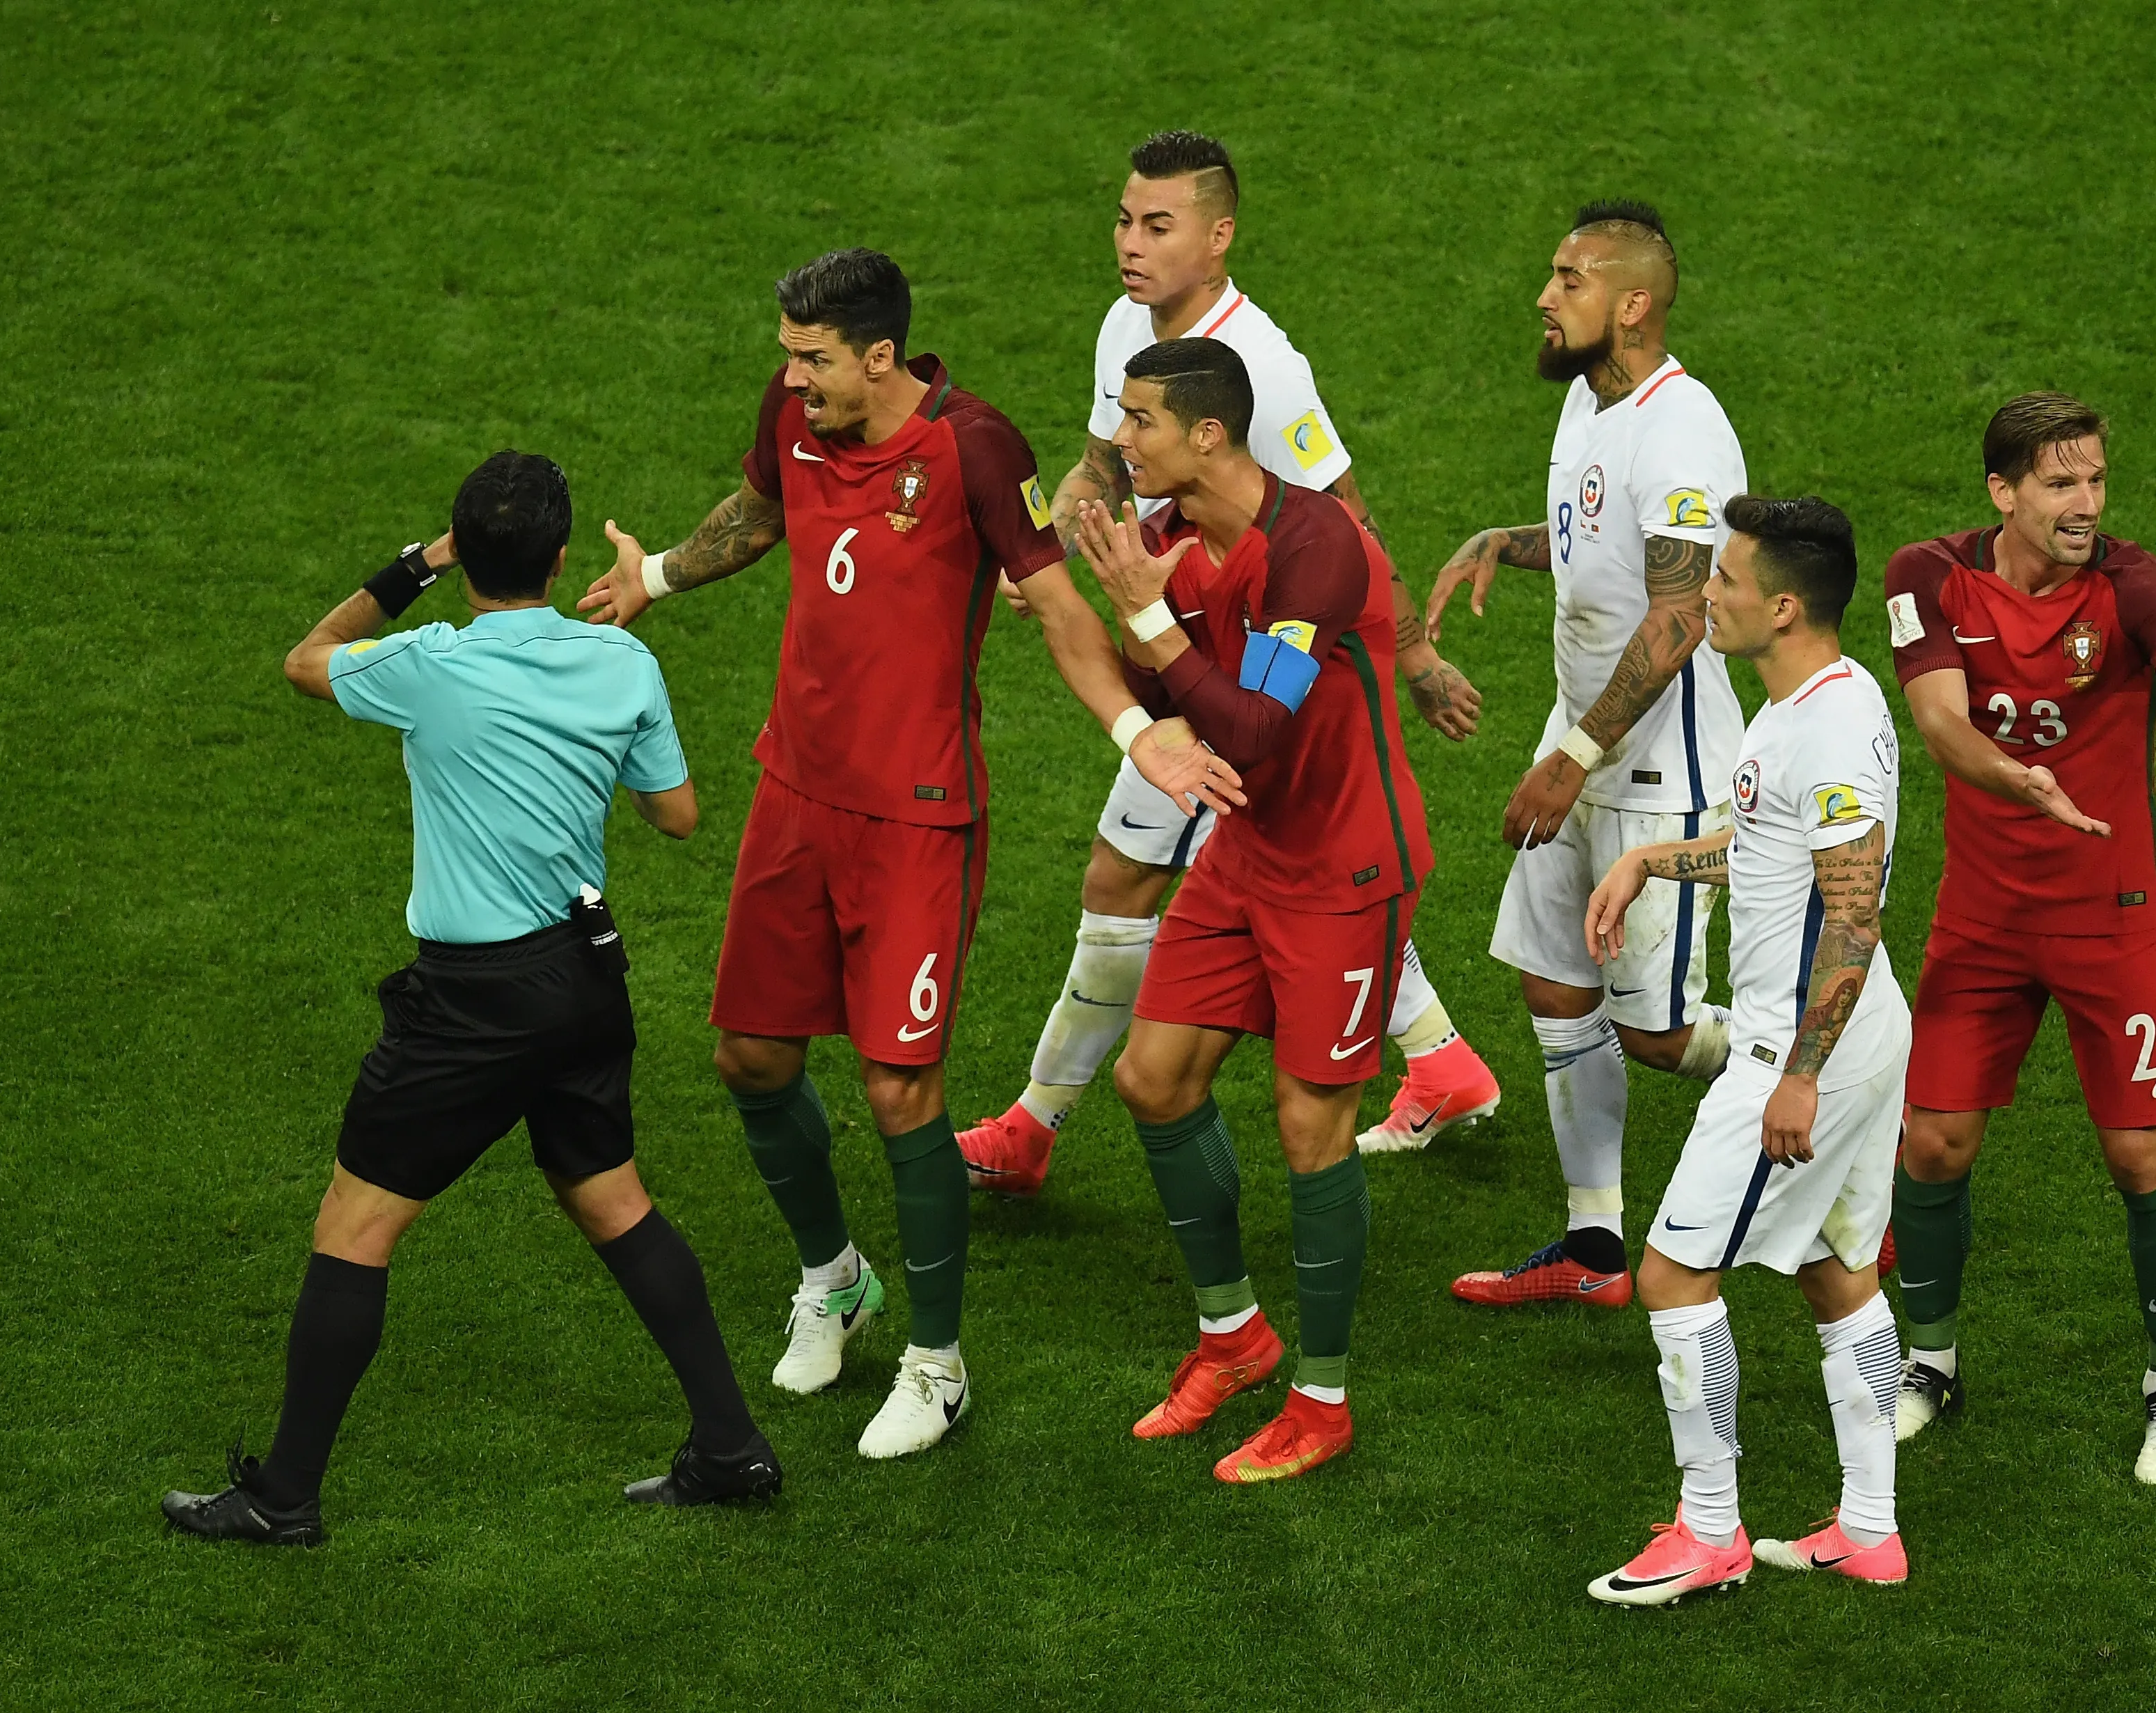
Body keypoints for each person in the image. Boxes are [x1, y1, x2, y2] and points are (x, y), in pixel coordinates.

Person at [579, 250, 1238, 1460]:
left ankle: (937, 1365)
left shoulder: (974, 447)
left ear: (879, 356)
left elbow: (1050, 600)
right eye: (787, 355)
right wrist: (660, 577)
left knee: (899, 1088)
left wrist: (1138, 729)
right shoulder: (791, 417)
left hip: (917, 818)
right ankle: (834, 1278)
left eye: (813, 357)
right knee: (752, 1057)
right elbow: (766, 513)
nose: (792, 378)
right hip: (794, 795)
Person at [163, 453, 775, 1545]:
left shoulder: (430, 666)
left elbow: (307, 658)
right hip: (586, 978)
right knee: (612, 1202)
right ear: (558, 555)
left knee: (355, 1227)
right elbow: (676, 816)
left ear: (468, 552)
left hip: (472, 1003)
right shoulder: (621, 661)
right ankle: (729, 1449)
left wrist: (413, 568)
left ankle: (284, 1497)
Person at [959, 129, 1497, 1196]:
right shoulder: (1127, 326)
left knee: (1206, 878)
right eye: (1123, 219)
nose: (1130, 243)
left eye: (1157, 226)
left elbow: (1339, 520)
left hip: (1246, 671)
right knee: (1184, 877)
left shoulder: (1265, 368)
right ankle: (1440, 1061)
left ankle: (1034, 1124)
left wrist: (1416, 655)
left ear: (1218, 235)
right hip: (1182, 634)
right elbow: (1100, 464)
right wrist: (1055, 552)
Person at [1880, 393, 2156, 1484]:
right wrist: (2016, 781)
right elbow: (1939, 717)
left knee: (2139, 1153)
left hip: (2108, 921)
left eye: (2094, 481)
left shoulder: (2130, 584)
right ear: (2002, 491)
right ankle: (1928, 1361)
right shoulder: (1926, 576)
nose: (2085, 505)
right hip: (1979, 921)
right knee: (1931, 1144)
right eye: (2059, 484)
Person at [1077, 338, 1431, 1483]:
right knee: (1153, 1078)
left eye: (1137, 422)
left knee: (1309, 1126)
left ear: (1208, 435)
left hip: (1345, 870)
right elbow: (1165, 696)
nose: (1118, 440)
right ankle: (1234, 1339)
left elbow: (1256, 729)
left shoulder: (1318, 548)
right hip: (1247, 854)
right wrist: (1122, 611)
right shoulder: (1176, 544)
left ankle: (1321, 1405)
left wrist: (1150, 619)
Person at [1582, 496, 1911, 1606]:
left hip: (1805, 1041)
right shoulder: (1807, 699)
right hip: (1847, 1031)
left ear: (1782, 605)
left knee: (1671, 1274)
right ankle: (1868, 1529)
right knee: (1835, 1270)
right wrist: (1651, 861)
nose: (1703, 596)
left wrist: (1798, 1077)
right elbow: (1766, 846)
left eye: (1721, 582)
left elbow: (1850, 915)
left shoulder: (1823, 728)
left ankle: (1708, 1528)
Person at [1425, 201, 1747, 1308]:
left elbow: (1678, 615)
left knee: (1657, 1034)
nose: (1543, 295)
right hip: (1585, 746)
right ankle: (1594, 1246)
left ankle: (1831, 1077)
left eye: (1567, 278)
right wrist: (1498, 543)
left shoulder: (1681, 425)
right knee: (1555, 984)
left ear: (1632, 303)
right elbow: (1592, 540)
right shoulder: (1584, 402)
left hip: (1662, 767)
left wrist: (1569, 759)